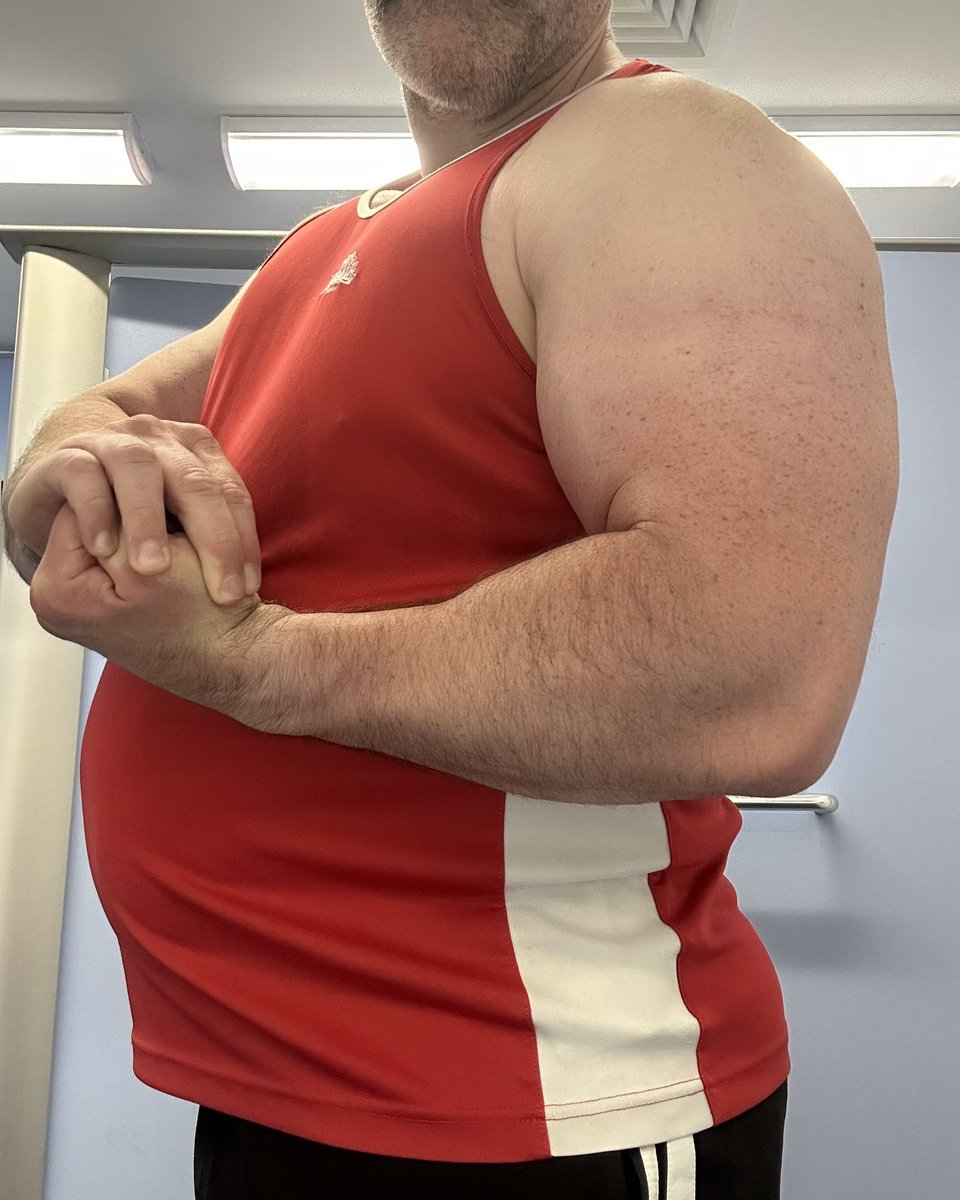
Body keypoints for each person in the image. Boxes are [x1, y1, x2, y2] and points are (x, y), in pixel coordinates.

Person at [2, 2, 899, 1197]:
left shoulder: (672, 154)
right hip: (278, 1089)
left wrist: (247, 660)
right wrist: (55, 472)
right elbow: (106, 410)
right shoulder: (325, 244)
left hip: (536, 1107)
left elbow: (755, 667)